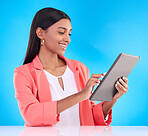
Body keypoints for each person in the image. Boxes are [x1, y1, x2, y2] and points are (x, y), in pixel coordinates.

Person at [13, 7, 129, 127]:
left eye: (69, 34)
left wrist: (113, 99)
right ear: (40, 33)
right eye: (61, 32)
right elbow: (31, 115)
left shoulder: (80, 69)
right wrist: (80, 96)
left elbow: (90, 117)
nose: (67, 39)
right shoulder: (24, 73)